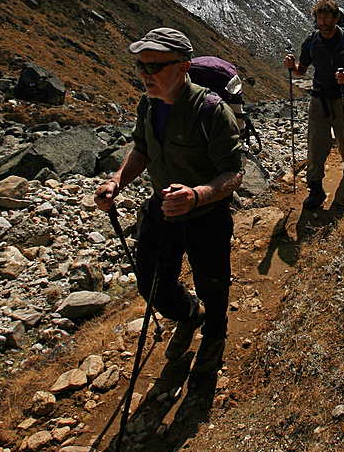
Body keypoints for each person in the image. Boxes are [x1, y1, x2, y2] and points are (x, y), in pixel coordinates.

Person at [95, 27, 243, 390]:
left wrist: (197, 195)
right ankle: (189, 315)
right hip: (162, 212)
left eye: (155, 67)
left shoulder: (211, 111)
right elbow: (143, 149)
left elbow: (234, 174)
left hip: (207, 217)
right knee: (152, 284)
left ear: (183, 67)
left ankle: (214, 335)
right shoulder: (148, 105)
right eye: (141, 66)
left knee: (213, 283)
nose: (145, 74)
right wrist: (116, 182)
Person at [284, 0, 344, 209]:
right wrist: (292, 66)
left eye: (327, 18)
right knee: (315, 143)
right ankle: (316, 188)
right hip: (319, 98)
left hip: (343, 97)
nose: (323, 22)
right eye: (319, 18)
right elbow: (302, 70)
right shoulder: (311, 42)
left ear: (336, 18)